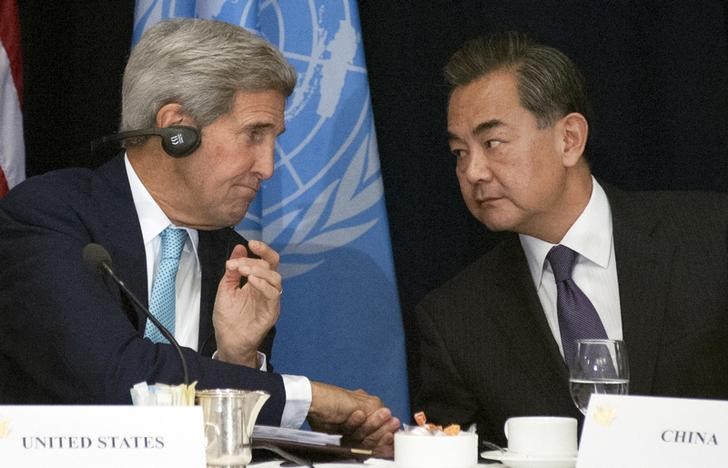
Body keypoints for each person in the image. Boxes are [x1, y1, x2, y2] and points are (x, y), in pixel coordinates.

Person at [0, 18, 399, 455]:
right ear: (176, 130)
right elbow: (119, 381)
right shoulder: (50, 219)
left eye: (273, 140)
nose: (267, 166)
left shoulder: (232, 257)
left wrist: (238, 360)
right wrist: (306, 397)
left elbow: (209, 443)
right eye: (254, 134)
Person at [414, 31, 728, 448]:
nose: (473, 172)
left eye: (492, 143)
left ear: (569, 139)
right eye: (460, 152)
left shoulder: (711, 237)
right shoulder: (454, 321)